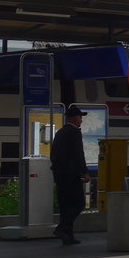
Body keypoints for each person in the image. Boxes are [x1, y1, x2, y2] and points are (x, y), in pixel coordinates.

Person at [49, 105, 89, 245]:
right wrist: (84, 172)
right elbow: (79, 154)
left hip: (59, 175)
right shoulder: (74, 132)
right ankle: (62, 228)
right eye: (80, 118)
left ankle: (68, 236)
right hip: (71, 175)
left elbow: (53, 155)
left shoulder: (60, 132)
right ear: (75, 118)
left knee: (65, 205)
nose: (81, 121)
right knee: (79, 203)